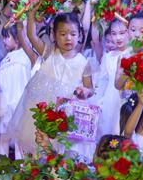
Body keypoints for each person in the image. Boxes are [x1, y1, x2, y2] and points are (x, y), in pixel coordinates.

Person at [9, 11, 94, 157]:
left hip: (65, 114)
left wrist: (85, 92)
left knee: (59, 152)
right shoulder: (49, 52)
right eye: (63, 34)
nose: (68, 38)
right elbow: (31, 36)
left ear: (80, 35)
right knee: (36, 147)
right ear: (54, 35)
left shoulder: (83, 62)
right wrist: (32, 12)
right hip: (43, 110)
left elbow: (90, 88)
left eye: (73, 34)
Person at [0, 24, 33, 158]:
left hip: (18, 102)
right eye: (3, 37)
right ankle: (3, 168)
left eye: (7, 37)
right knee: (4, 137)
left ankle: (20, 168)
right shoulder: (6, 58)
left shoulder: (26, 55)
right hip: (4, 104)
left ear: (18, 38)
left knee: (19, 140)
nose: (4, 40)